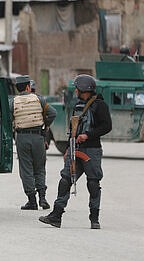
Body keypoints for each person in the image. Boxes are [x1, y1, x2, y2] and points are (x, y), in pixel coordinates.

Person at [39, 74, 111, 229]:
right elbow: (73, 130)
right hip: (75, 149)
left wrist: (88, 135)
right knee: (65, 180)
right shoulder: (77, 105)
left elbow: (106, 126)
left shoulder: (99, 105)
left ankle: (94, 219)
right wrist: (67, 149)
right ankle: (56, 216)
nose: (75, 91)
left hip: (92, 150)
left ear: (84, 89)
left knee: (93, 182)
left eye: (77, 88)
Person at [10, 75, 56, 210]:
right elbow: (52, 113)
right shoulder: (39, 99)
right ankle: (43, 198)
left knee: (26, 169)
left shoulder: (13, 102)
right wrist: (45, 125)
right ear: (28, 87)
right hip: (38, 138)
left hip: (22, 138)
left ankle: (32, 200)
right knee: (40, 168)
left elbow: (9, 118)